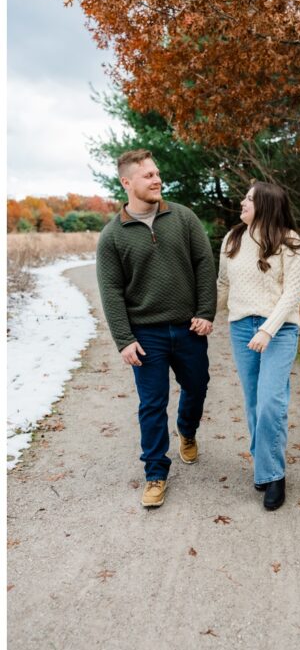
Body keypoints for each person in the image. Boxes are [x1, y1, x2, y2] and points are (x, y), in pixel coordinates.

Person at [96, 149, 216, 508]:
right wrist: (124, 340)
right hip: (146, 335)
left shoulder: (183, 218)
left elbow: (204, 263)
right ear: (127, 182)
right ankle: (155, 474)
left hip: (189, 328)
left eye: (157, 173)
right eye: (147, 175)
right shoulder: (112, 236)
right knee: (152, 403)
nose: (156, 179)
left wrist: (206, 311)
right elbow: (111, 292)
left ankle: (188, 432)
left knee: (197, 386)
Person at [217, 181, 300, 511]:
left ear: (266, 205)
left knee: (271, 401)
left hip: (280, 331)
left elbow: (291, 295)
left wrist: (268, 330)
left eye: (249, 199)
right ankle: (264, 466)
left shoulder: (290, 243)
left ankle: (274, 474)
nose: (242, 202)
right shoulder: (233, 238)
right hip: (242, 328)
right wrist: (204, 317)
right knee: (254, 401)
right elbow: (223, 284)